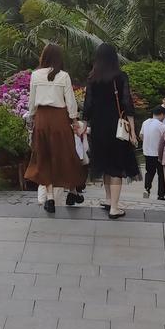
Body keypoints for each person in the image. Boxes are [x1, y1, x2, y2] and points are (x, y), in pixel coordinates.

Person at [25, 44, 85, 215]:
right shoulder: (64, 76)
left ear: (43, 56)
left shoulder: (35, 75)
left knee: (44, 157)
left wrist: (32, 117)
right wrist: (74, 120)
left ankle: (50, 197)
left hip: (42, 119)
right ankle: (73, 191)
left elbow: (32, 101)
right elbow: (70, 101)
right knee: (66, 155)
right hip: (60, 119)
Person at [83, 43, 139, 220]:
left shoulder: (92, 78)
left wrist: (84, 124)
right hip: (117, 127)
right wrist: (133, 132)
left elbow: (88, 105)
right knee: (116, 167)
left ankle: (108, 200)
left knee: (106, 165)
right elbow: (127, 104)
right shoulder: (121, 77)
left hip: (99, 127)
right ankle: (114, 207)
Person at [140, 106, 165, 201]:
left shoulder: (145, 122)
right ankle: (161, 195)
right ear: (162, 114)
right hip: (159, 154)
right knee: (162, 174)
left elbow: (141, 135)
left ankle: (147, 189)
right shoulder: (162, 126)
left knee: (149, 172)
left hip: (147, 152)